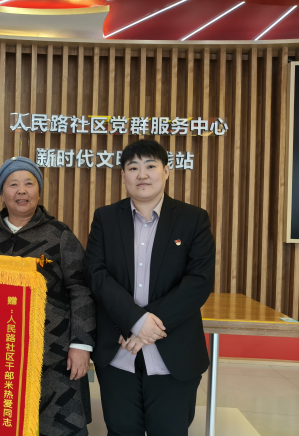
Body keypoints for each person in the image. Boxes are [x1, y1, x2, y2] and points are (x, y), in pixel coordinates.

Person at [83, 139, 216, 436]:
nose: (142, 174)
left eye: (150, 166)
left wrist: (145, 325)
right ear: (123, 175)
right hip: (118, 353)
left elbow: (199, 281)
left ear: (166, 171)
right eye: (133, 168)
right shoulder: (105, 218)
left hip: (174, 352)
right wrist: (135, 320)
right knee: (121, 430)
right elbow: (95, 273)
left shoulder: (193, 219)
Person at [0, 156, 96, 436]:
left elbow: (82, 291)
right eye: (13, 184)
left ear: (38, 192)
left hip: (55, 356)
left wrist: (81, 345)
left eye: (29, 183)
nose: (21, 190)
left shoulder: (59, 234)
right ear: (2, 193)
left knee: (60, 428)